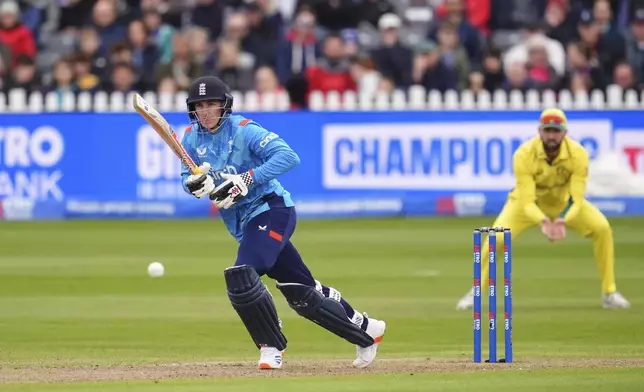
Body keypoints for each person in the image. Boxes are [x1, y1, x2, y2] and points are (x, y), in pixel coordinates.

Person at [179, 76, 386, 369]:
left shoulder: (244, 131)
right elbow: (187, 176)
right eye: (200, 106)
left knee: (242, 275)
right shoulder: (190, 138)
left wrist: (247, 179)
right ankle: (367, 330)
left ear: (225, 105)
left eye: (212, 103)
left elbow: (288, 157)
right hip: (242, 223)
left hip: (272, 209)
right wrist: (192, 185)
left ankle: (271, 347)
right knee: (301, 292)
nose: (206, 111)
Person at [455, 108, 631, 311]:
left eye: (556, 131)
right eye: (547, 130)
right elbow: (527, 200)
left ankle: (610, 292)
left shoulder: (578, 154)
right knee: (496, 239)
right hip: (524, 205)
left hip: (564, 206)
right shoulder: (524, 154)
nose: (551, 136)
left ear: (565, 132)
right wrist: (544, 221)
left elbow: (577, 198)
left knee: (602, 228)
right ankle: (475, 293)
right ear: (539, 131)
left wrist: (563, 220)